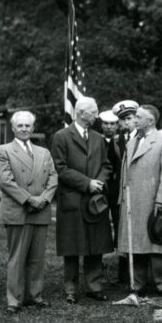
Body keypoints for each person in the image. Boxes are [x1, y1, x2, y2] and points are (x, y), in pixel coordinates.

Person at [0, 111, 58, 314]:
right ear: (13, 128)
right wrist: (30, 199)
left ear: (33, 128)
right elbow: (6, 182)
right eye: (20, 126)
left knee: (37, 257)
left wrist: (45, 199)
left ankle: (35, 295)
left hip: (40, 210)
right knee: (17, 257)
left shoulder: (44, 152)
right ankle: (14, 299)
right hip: (18, 210)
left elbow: (53, 177)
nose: (23, 129)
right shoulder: (3, 151)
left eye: (27, 126)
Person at [51, 97, 113, 304]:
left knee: (95, 245)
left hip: (95, 201)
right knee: (72, 246)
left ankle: (94, 287)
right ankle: (71, 289)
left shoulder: (98, 138)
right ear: (80, 113)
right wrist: (87, 183)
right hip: (73, 200)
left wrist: (99, 182)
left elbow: (106, 165)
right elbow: (60, 168)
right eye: (93, 112)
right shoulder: (61, 136)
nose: (97, 116)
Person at [118, 105, 162, 296]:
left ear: (150, 121)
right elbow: (124, 173)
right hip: (132, 202)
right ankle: (137, 284)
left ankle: (160, 284)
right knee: (136, 245)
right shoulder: (132, 141)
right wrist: (122, 198)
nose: (134, 119)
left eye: (139, 117)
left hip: (153, 201)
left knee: (155, 241)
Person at [111, 100, 139, 283]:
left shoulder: (143, 138)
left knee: (138, 232)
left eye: (129, 118)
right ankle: (123, 275)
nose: (126, 123)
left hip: (139, 193)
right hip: (119, 194)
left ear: (137, 118)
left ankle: (139, 274)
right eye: (123, 120)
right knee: (122, 232)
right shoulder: (116, 141)